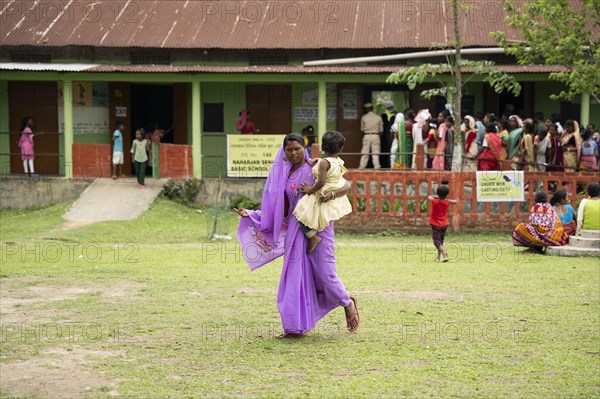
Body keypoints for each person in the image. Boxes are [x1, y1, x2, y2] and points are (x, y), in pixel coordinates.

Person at [235, 133, 359, 338]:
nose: (293, 153)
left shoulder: (317, 165)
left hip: (320, 227)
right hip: (296, 229)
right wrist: (252, 214)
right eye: (289, 149)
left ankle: (347, 303)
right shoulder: (283, 175)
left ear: (305, 148)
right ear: (284, 152)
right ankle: (293, 327)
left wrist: (332, 194)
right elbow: (279, 209)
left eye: (297, 148)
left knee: (326, 274)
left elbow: (346, 185)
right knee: (293, 277)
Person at [293, 131, 352, 253]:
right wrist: (318, 161)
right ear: (340, 149)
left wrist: (310, 190)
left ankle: (313, 237)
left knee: (300, 214)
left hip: (320, 193)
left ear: (323, 147)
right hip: (333, 191)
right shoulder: (338, 161)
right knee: (316, 217)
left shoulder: (324, 163)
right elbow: (330, 166)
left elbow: (321, 182)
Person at [428, 185, 457, 262]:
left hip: (435, 225)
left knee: (436, 241)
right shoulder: (447, 202)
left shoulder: (435, 201)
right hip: (444, 224)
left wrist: (436, 196)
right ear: (446, 195)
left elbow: (429, 197)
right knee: (440, 241)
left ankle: (444, 252)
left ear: (437, 194)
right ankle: (438, 257)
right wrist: (446, 198)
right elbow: (455, 201)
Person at [359, 102, 383, 169]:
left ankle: (361, 167)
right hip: (375, 136)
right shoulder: (378, 117)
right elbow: (381, 130)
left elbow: (362, 129)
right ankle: (377, 167)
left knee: (365, 153)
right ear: (372, 108)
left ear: (366, 109)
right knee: (375, 153)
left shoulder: (364, 118)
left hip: (366, 135)